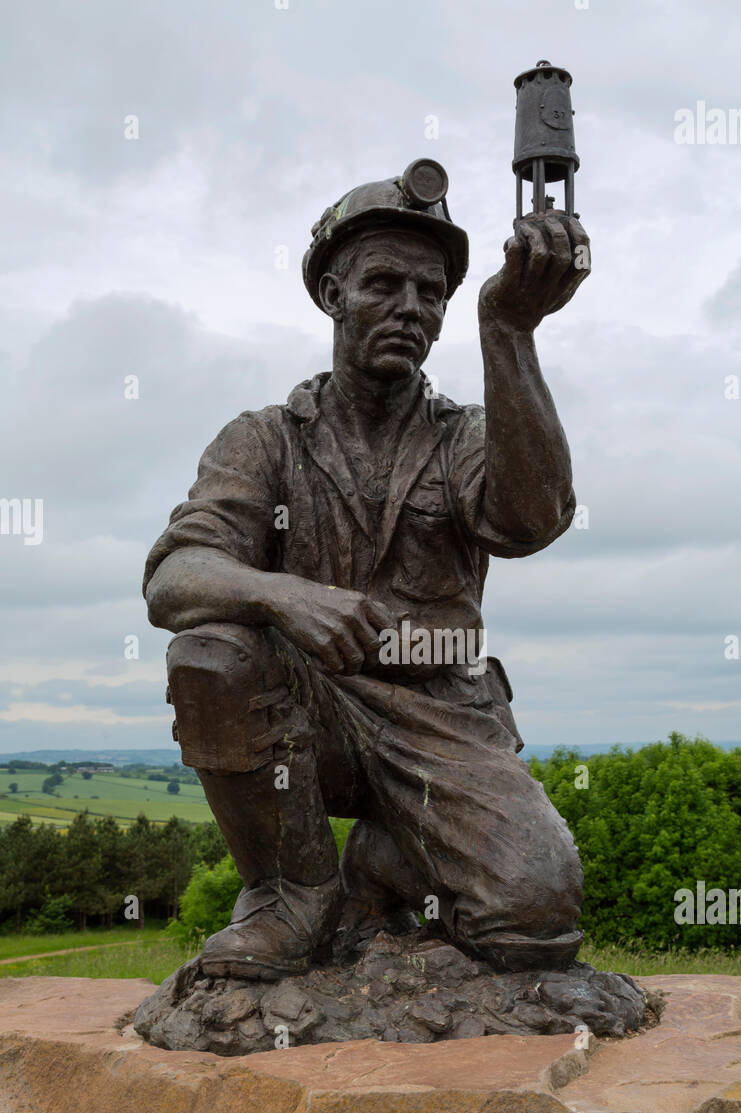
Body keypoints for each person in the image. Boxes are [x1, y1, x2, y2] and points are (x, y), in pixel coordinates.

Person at [144, 159, 591, 980]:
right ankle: (291, 895)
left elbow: (531, 521)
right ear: (332, 295)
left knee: (534, 921)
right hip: (309, 710)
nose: (411, 309)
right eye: (383, 283)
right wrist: (281, 595)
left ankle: (385, 863)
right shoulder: (264, 439)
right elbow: (175, 577)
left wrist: (512, 331)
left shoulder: (463, 437)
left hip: (445, 720)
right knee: (211, 652)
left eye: (432, 294)